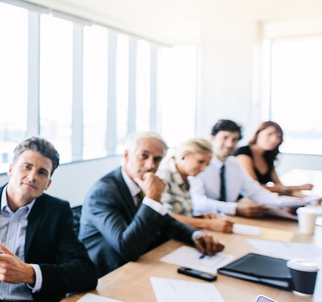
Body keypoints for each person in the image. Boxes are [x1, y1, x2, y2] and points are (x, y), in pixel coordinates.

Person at [0, 137, 97, 302]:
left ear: (48, 183)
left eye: (42, 172)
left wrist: (29, 273)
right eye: (27, 167)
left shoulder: (57, 212)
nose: (32, 176)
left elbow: (85, 272)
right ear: (11, 169)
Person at [79, 131, 224, 278]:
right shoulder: (103, 193)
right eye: (144, 156)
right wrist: (152, 197)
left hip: (137, 267)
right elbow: (127, 248)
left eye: (157, 159)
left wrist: (195, 235)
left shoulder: (142, 182)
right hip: (105, 275)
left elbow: (166, 221)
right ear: (126, 155)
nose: (150, 165)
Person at [189, 119, 314, 218]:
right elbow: (198, 203)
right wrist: (236, 208)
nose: (230, 144)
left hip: (232, 219)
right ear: (212, 138)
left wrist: (305, 200)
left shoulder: (234, 164)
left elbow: (257, 192)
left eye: (234, 139)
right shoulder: (199, 165)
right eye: (225, 138)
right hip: (207, 220)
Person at [158, 138, 233, 233]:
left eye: (207, 164)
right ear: (184, 155)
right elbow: (166, 217)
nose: (203, 169)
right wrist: (208, 224)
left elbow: (180, 214)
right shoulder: (164, 176)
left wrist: (200, 218)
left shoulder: (186, 178)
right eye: (201, 162)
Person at [235, 121, 314, 197]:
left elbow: (280, 186)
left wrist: (306, 197)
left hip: (259, 199)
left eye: (278, 136)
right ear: (258, 134)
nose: (274, 140)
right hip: (242, 200)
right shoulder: (243, 153)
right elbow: (255, 187)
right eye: (269, 134)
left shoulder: (267, 156)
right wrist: (298, 187)